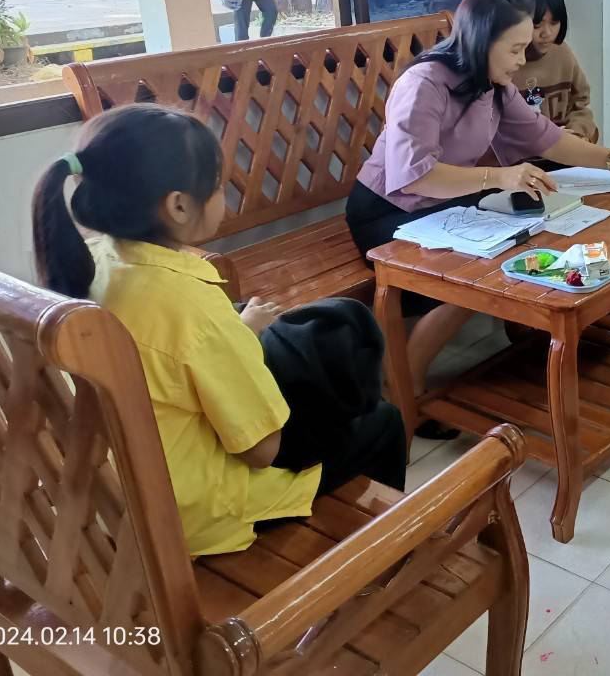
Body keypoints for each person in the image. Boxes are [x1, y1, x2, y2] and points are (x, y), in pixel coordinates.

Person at [31, 104, 404, 557]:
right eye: (218, 186)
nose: (221, 195)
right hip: (190, 516)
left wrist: (241, 332)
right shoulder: (190, 303)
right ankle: (382, 558)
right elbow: (262, 450)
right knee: (380, 421)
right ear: (179, 205)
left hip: (112, 492)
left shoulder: (92, 261)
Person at [346, 0, 610, 419]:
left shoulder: (492, 84)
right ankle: (404, 384)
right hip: (388, 210)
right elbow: (416, 175)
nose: (521, 61)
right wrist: (499, 176)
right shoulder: (423, 84)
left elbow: (547, 139)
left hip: (442, 203)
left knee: (530, 229)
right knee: (475, 271)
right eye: (515, 49)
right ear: (482, 42)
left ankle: (531, 335)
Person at [506, 0, 600, 142]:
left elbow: (581, 106)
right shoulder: (503, 66)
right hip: (523, 154)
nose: (547, 33)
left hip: (567, 148)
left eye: (554, 23)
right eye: (537, 25)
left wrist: (577, 133)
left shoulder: (562, 53)